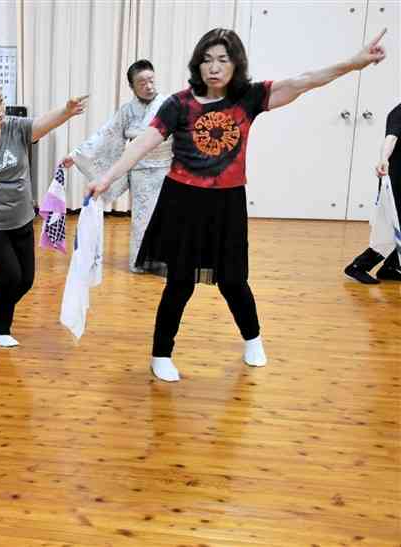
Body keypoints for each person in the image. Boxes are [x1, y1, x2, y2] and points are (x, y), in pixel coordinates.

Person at [87, 27, 387, 382]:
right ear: (197, 65)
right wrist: (106, 179)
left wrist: (353, 64)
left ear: (236, 65)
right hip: (182, 201)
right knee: (179, 283)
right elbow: (140, 145)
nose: (213, 67)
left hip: (227, 202)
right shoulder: (179, 104)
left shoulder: (247, 98)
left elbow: (304, 81)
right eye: (207, 60)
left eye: (223, 60)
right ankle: (161, 354)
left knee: (234, 281)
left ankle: (253, 339)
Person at [0, 77, 88, 347]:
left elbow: (43, 123)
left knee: (25, 280)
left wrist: (66, 112)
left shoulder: (17, 129)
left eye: (1, 101)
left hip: (20, 216)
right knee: (9, 277)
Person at [63, 59, 172, 273]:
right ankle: (142, 262)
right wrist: (76, 155)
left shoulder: (170, 104)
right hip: (141, 170)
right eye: (142, 82)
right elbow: (106, 134)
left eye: (151, 80)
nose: (149, 86)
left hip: (168, 169)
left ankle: (167, 261)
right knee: (143, 218)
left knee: (168, 217)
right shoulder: (127, 111)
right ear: (132, 86)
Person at [343, 101, 401, 283]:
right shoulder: (399, 112)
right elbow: (391, 138)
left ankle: (390, 267)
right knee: (388, 227)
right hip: (395, 179)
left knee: (395, 226)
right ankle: (358, 266)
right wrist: (384, 159)